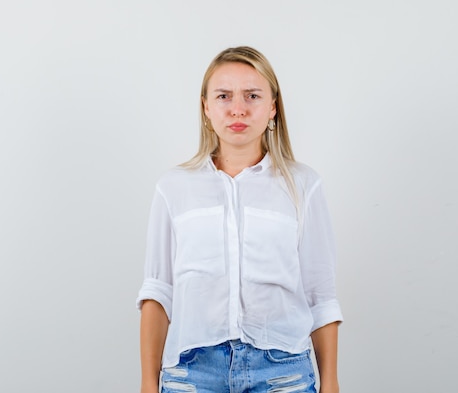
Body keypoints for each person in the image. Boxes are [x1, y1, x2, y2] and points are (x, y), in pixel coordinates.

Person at [136, 46, 343, 393]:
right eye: (223, 96)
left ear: (273, 107)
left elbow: (320, 295)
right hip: (191, 373)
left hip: (282, 373)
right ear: (205, 107)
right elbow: (158, 292)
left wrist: (331, 383)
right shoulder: (173, 188)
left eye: (252, 96)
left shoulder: (304, 186)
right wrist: (146, 383)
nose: (238, 109)